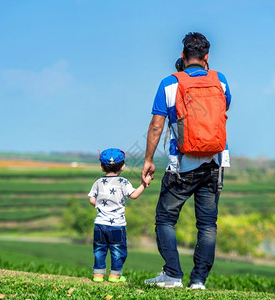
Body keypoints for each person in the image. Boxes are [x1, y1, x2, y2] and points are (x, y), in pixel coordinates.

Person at [142, 32, 232, 289]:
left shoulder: (169, 84)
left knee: (165, 219)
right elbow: (222, 110)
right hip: (215, 162)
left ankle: (172, 274)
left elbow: (156, 127)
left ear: (182, 56)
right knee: (207, 224)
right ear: (207, 57)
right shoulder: (221, 81)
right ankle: (199, 281)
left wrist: (148, 160)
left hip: (181, 165)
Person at [88, 148, 150, 283]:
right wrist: (144, 185)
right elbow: (133, 195)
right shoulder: (123, 182)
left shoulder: (98, 182)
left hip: (99, 224)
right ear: (123, 166)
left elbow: (92, 200)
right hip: (117, 225)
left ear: (101, 167)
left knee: (99, 250)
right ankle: (114, 276)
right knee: (117, 251)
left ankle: (98, 275)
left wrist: (102, 205)